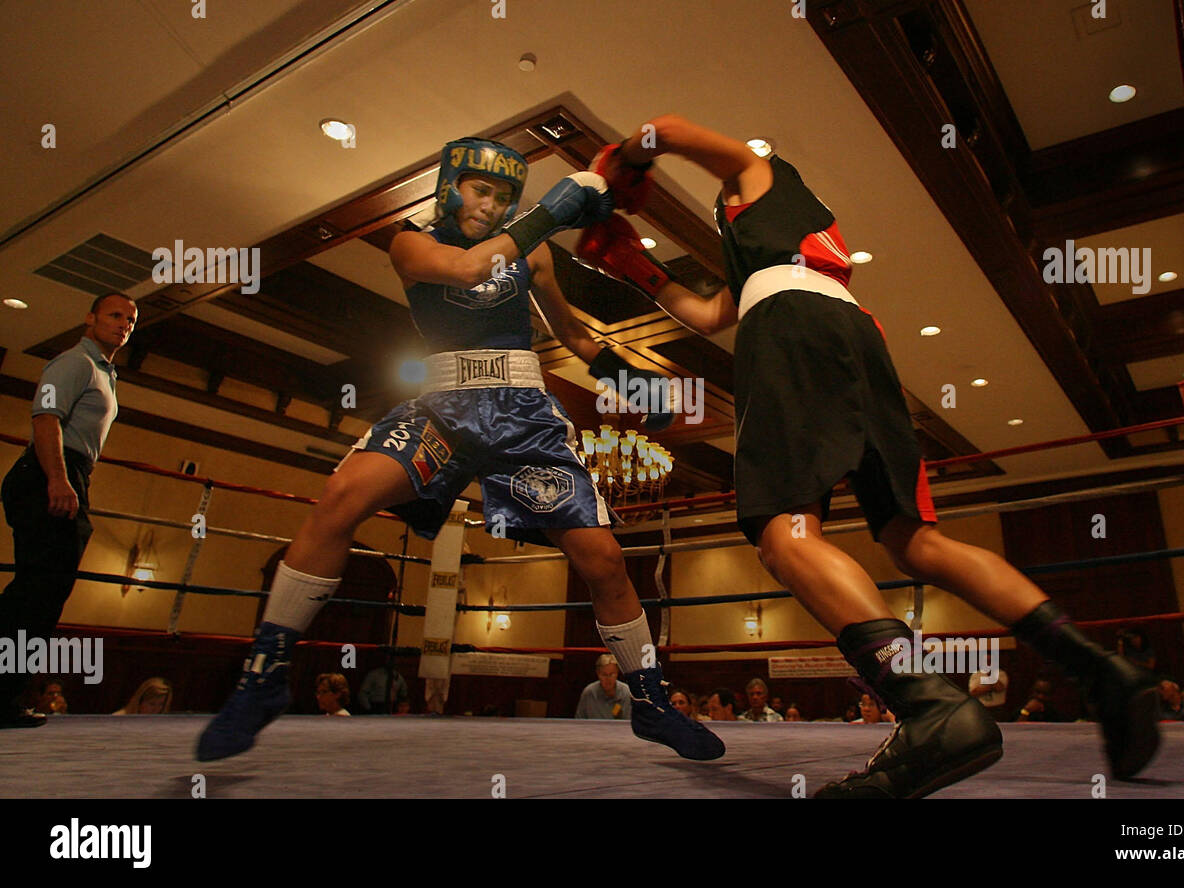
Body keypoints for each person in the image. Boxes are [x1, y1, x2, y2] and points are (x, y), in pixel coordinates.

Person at [577, 115, 1159, 797]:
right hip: (855, 339)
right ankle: (1103, 672)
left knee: (783, 536)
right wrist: (632, 265)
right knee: (916, 542)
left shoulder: (762, 178)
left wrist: (627, 157)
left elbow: (674, 130)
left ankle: (929, 706)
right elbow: (708, 315)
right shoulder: (779, 250)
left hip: (793, 336)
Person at [196, 139, 722, 762]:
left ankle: (653, 703)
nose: (491, 204)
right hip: (442, 406)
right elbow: (470, 270)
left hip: (523, 413)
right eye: (481, 190)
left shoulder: (533, 251)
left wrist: (629, 379)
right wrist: (553, 209)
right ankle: (263, 679)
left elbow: (575, 333)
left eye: (503, 197)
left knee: (603, 558)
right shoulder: (410, 241)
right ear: (450, 187)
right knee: (339, 497)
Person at [1, 293, 137, 729]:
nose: (124, 324)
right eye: (115, 315)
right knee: (37, 592)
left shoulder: (104, 371)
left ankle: (5, 695)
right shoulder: (74, 361)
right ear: (90, 318)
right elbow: (45, 417)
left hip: (69, 473)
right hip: (49, 471)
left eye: (131, 320)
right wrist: (58, 479)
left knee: (41, 593)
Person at [575, 654, 632, 719]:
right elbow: (579, 722)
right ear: (598, 674)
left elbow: (630, 724)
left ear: (617, 673)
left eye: (611, 674)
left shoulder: (627, 693)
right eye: (604, 674)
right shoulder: (589, 693)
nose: (608, 678)